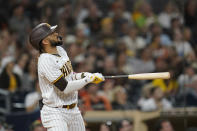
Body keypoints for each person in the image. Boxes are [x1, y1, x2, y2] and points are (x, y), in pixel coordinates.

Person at [29, 23, 105, 131]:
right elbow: (65, 87)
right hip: (55, 112)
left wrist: (86, 75)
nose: (56, 34)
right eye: (52, 33)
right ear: (45, 41)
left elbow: (70, 77)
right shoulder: (45, 60)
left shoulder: (60, 50)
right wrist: (88, 80)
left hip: (73, 109)